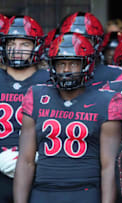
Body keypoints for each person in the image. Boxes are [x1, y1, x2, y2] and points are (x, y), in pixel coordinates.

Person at [13, 32, 122, 203]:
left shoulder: (106, 101)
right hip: (43, 191)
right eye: (61, 64)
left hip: (85, 191)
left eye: (74, 64)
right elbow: (26, 161)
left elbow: (109, 166)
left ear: (87, 65)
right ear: (52, 66)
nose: (66, 70)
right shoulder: (36, 95)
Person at [0, 15, 48, 203]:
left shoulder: (51, 80)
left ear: (36, 47)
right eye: (12, 44)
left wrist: (39, 156)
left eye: (25, 44)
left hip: (40, 167)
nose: (17, 50)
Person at [59, 12, 122, 87]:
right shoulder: (54, 74)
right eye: (72, 39)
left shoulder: (117, 75)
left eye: (86, 40)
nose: (78, 45)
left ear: (97, 43)